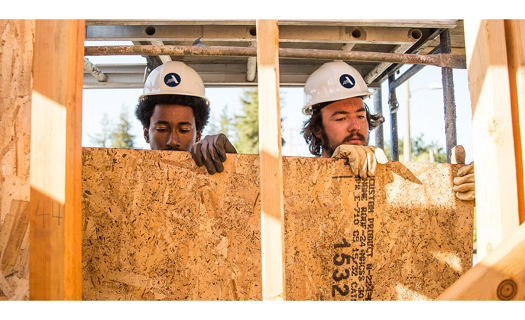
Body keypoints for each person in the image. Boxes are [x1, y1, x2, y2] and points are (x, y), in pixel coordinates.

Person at [301, 61, 475, 200]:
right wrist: (335, 166)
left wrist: (460, 191)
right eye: (341, 118)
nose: (355, 126)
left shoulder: (394, 182)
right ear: (317, 129)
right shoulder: (301, 184)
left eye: (361, 116)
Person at [135, 61, 236, 174]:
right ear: (146, 134)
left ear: (198, 136)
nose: (172, 141)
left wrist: (230, 164)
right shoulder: (129, 175)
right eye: (162, 129)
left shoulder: (208, 179)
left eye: (184, 130)